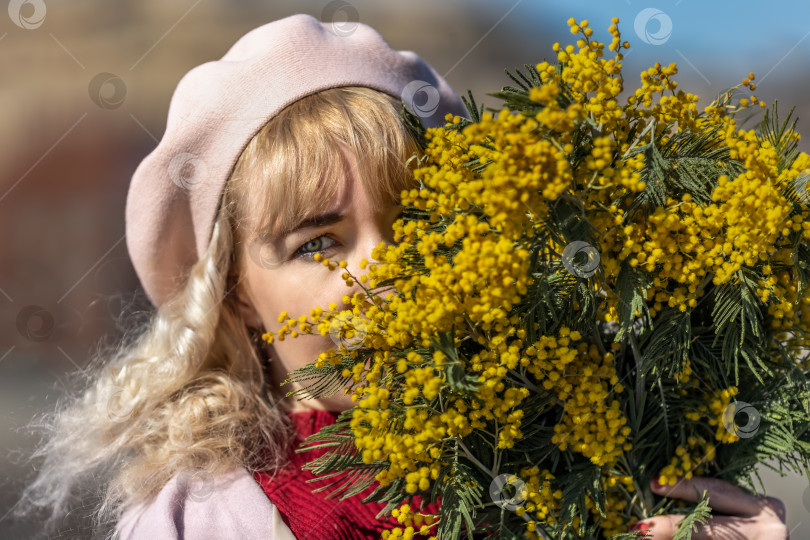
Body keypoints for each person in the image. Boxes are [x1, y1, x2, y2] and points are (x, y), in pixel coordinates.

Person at [10, 12, 788, 540]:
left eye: (415, 221)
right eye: (318, 241)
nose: (384, 266)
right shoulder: (195, 521)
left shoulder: (583, 463)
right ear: (238, 293)